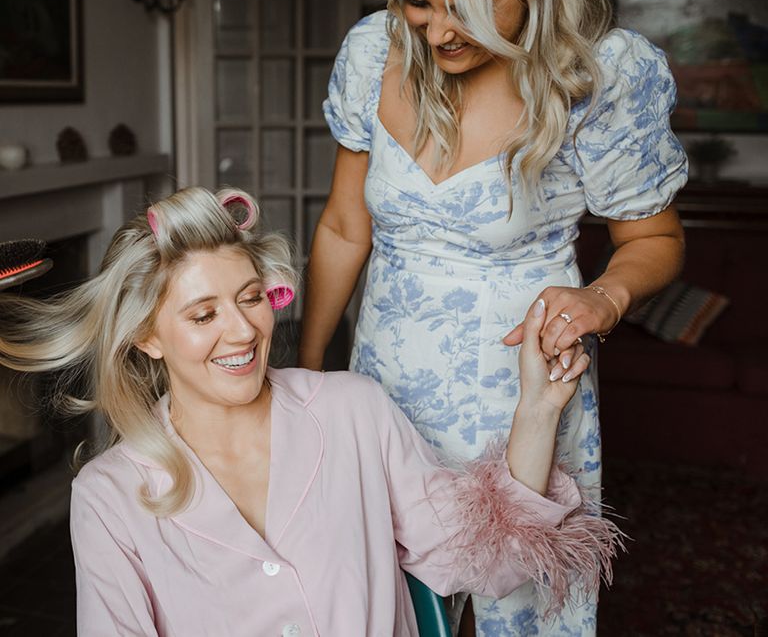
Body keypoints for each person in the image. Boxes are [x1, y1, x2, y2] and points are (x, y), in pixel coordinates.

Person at [0, 187, 621, 636]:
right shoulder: (109, 495)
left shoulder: (355, 410)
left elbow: (484, 562)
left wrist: (538, 409)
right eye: (203, 314)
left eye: (251, 299)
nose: (242, 331)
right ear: (147, 337)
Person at [298, 0, 687, 633]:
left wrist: (603, 297)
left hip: (523, 393)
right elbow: (343, 227)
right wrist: (304, 377)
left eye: (467, 10)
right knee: (381, 601)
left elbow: (653, 240)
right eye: (419, 0)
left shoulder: (599, 76)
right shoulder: (371, 53)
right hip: (383, 390)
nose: (439, 31)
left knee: (524, 610)